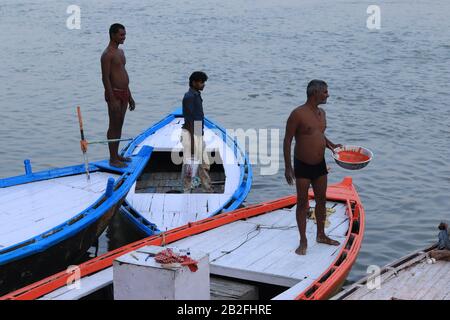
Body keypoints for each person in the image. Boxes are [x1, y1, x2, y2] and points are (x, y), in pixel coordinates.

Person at [283, 80, 342, 255]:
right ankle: (303, 240)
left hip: (320, 164)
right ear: (315, 92)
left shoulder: (321, 113)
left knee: (322, 200)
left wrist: (332, 145)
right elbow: (287, 141)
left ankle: (321, 235)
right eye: (325, 92)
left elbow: (319, 135)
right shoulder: (297, 114)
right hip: (302, 164)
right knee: (302, 203)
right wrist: (288, 167)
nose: (327, 94)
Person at [101, 23, 135, 168]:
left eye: (125, 34)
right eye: (121, 35)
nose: (124, 37)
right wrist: (112, 98)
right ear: (113, 35)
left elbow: (123, 73)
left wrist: (130, 96)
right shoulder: (107, 54)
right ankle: (112, 159)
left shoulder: (120, 52)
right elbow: (105, 78)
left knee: (119, 124)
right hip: (114, 93)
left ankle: (117, 155)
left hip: (124, 92)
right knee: (113, 125)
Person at [180, 71, 213, 193]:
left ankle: (206, 187)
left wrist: (200, 136)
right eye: (201, 82)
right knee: (190, 164)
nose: (203, 84)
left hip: (197, 131)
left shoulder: (196, 94)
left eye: (204, 82)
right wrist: (194, 141)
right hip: (190, 133)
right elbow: (189, 121)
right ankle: (187, 189)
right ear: (194, 82)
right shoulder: (189, 97)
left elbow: (197, 119)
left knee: (204, 164)